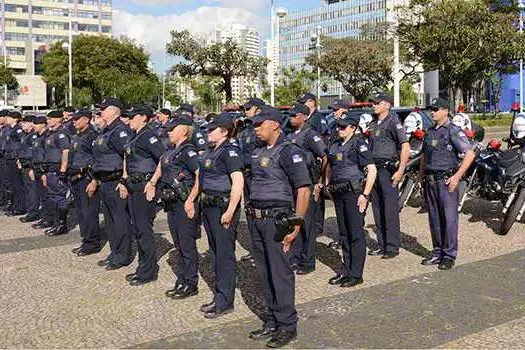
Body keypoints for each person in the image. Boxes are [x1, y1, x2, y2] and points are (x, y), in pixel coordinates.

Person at [246, 107, 311, 348]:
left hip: (277, 221)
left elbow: (303, 190)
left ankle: (287, 325)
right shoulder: (258, 151)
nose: (255, 129)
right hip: (257, 220)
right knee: (264, 273)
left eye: (259, 125)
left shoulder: (288, 152)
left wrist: (296, 225)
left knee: (280, 273)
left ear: (274, 125)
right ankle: (272, 320)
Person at [147, 117, 201, 299]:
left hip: (184, 202)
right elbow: (161, 166)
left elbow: (200, 175)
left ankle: (191, 283)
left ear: (184, 131)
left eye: (173, 129)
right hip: (171, 202)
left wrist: (191, 200)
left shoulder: (188, 151)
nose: (168, 131)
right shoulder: (172, 151)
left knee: (187, 244)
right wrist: (153, 182)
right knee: (178, 243)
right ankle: (183, 278)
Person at [418, 98, 475, 270]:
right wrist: (420, 175)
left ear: (445, 111)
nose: (432, 112)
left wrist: (457, 177)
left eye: (435, 109)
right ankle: (437, 252)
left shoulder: (452, 130)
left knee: (449, 220)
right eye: (431, 109)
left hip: (446, 181)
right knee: (434, 218)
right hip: (430, 180)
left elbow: (469, 154)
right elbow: (423, 156)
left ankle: (449, 255)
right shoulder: (429, 132)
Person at [199, 112, 244, 319]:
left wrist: (230, 211)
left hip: (223, 207)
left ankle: (225, 301)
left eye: (212, 129)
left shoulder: (230, 152)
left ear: (224, 131)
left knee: (225, 255)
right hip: (209, 207)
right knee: (216, 253)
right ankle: (219, 296)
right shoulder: (212, 150)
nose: (208, 132)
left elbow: (238, 183)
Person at [325, 111, 377, 287]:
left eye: (343, 126)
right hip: (338, 193)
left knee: (355, 234)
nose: (339, 129)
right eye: (338, 126)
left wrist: (365, 195)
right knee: (344, 234)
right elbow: (330, 166)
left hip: (354, 194)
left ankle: (356, 274)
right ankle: (346, 270)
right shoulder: (335, 143)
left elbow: (372, 169)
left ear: (353, 128)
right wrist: (327, 185)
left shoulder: (359, 144)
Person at [86, 97, 133, 271]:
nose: (101, 112)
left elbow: (128, 155)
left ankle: (123, 256)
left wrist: (124, 180)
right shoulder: (106, 131)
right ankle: (115, 252)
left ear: (114, 111)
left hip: (115, 181)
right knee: (110, 221)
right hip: (104, 181)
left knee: (120, 220)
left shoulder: (120, 131)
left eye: (104, 109)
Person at [121, 105, 165, 285]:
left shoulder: (149, 136)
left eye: (132, 117)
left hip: (144, 186)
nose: (128, 120)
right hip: (133, 184)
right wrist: (124, 181)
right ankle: (143, 266)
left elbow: (164, 159)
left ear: (143, 117)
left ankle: (148, 271)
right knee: (138, 228)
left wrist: (153, 183)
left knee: (143, 228)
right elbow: (128, 158)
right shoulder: (135, 135)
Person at [367, 92, 409, 259]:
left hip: (387, 170)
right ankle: (382, 243)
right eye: (373, 102)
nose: (374, 105)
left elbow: (404, 147)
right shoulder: (373, 122)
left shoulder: (393, 122)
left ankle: (391, 246)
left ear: (387, 105)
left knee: (389, 209)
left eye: (377, 103)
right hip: (374, 170)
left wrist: (400, 171)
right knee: (377, 208)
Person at [286, 103, 327, 275]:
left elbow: (325, 157)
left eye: (294, 115)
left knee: (307, 224)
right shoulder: (289, 134)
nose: (291, 118)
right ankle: (295, 257)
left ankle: (308, 261)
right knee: (294, 221)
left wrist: (320, 181)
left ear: (304, 116)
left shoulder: (311, 135)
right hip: (292, 184)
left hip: (307, 182)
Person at [68, 109, 103, 257]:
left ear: (87, 120)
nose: (74, 121)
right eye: (73, 119)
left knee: (89, 212)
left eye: (77, 119)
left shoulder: (92, 136)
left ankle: (92, 243)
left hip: (87, 178)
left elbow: (97, 158)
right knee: (81, 212)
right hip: (76, 177)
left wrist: (95, 180)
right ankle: (86, 239)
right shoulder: (78, 135)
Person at [237, 97, 266, 264]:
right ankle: (256, 249)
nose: (245, 112)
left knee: (261, 213)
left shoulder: (262, 128)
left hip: (259, 175)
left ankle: (263, 250)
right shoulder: (246, 128)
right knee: (250, 212)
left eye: (248, 109)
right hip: (247, 175)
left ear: (258, 109)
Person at [297, 93, 328, 238]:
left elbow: (323, 138)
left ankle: (317, 225)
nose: (303, 104)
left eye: (305, 102)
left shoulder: (317, 118)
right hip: (305, 164)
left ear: (312, 102)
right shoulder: (306, 119)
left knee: (317, 194)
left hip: (316, 161)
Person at [41, 110, 70, 236]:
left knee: (60, 197)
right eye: (48, 119)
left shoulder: (62, 134)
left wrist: (63, 169)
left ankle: (62, 225)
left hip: (58, 170)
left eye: (51, 118)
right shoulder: (51, 134)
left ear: (59, 119)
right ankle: (56, 223)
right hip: (50, 169)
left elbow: (65, 151)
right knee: (53, 196)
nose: (48, 121)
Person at [30, 116, 54, 230]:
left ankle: (49, 219)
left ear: (43, 125)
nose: (34, 126)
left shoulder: (47, 137)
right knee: (41, 195)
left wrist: (45, 172)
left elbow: (47, 156)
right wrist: (32, 168)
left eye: (36, 124)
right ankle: (45, 217)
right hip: (36, 169)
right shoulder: (37, 137)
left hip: (44, 170)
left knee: (47, 196)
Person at [17, 115, 41, 223]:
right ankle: (30, 210)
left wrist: (32, 166)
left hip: (30, 166)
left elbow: (34, 153)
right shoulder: (26, 135)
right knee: (28, 189)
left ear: (31, 123)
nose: (22, 125)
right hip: (24, 165)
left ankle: (33, 212)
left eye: (25, 123)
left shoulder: (33, 136)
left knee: (33, 190)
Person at [3, 111, 25, 216]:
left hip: (14, 159)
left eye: (9, 117)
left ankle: (19, 207)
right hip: (8, 158)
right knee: (11, 184)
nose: (7, 118)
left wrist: (19, 158)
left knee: (17, 184)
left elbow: (22, 143)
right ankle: (15, 206)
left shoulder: (18, 130)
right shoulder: (9, 129)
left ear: (15, 119)